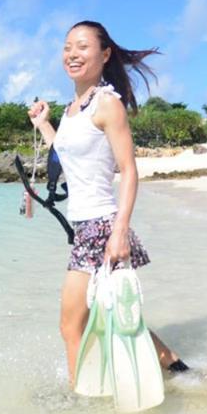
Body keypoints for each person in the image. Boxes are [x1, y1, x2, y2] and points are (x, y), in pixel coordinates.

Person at [27, 21, 187, 387]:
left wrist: (119, 233)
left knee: (72, 325)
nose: (72, 54)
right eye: (68, 47)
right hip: (85, 226)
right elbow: (71, 159)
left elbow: (129, 171)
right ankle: (179, 371)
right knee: (116, 317)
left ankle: (78, 397)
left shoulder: (107, 104)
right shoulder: (72, 110)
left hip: (102, 226)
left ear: (105, 54)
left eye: (82, 47)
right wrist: (43, 125)